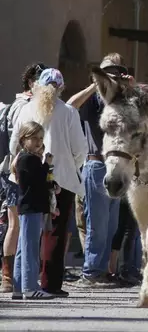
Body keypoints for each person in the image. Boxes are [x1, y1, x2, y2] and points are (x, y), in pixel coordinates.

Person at [9, 68, 87, 297]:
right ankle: (47, 284)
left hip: (26, 179)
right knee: (55, 232)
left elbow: (15, 143)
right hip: (59, 179)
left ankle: (20, 285)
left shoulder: (26, 109)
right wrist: (69, 165)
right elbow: (80, 150)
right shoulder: (69, 112)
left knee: (27, 234)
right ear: (61, 87)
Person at [66, 54, 132, 287]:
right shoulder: (93, 98)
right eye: (108, 72)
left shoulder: (121, 100)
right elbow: (70, 105)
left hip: (117, 165)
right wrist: (96, 84)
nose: (113, 77)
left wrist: (129, 88)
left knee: (112, 225)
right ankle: (91, 272)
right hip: (96, 165)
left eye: (117, 72)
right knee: (98, 224)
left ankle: (102, 271)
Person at [1, 63, 44, 293]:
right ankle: (20, 283)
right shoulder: (23, 107)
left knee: (19, 232)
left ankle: (16, 283)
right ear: (31, 83)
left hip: (17, 181)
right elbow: (15, 140)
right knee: (20, 232)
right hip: (20, 188)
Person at [11, 122, 59, 300]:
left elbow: (40, 180)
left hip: (30, 207)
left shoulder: (28, 158)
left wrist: (52, 184)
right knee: (30, 249)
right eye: (34, 138)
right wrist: (46, 164)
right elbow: (37, 180)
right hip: (31, 207)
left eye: (41, 138)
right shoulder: (28, 159)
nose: (39, 142)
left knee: (24, 248)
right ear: (24, 140)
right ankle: (29, 287)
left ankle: (19, 287)